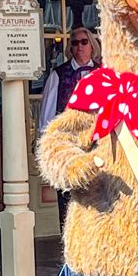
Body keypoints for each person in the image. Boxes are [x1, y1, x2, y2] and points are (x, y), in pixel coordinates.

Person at [39, 27, 101, 228]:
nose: (80, 46)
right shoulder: (59, 75)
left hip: (99, 145)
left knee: (99, 199)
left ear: (92, 45)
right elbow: (47, 117)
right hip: (69, 145)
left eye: (84, 42)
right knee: (67, 201)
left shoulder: (104, 74)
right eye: (75, 43)